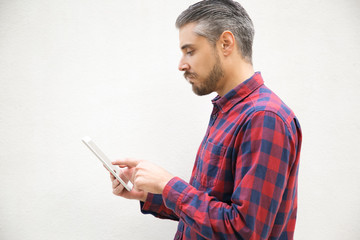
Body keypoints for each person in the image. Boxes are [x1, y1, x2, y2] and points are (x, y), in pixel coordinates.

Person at [110, 0, 302, 239]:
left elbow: (244, 232)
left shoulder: (264, 118)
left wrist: (168, 184)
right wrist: (149, 193)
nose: (181, 64)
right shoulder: (228, 110)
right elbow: (207, 208)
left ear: (225, 43)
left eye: (190, 51)